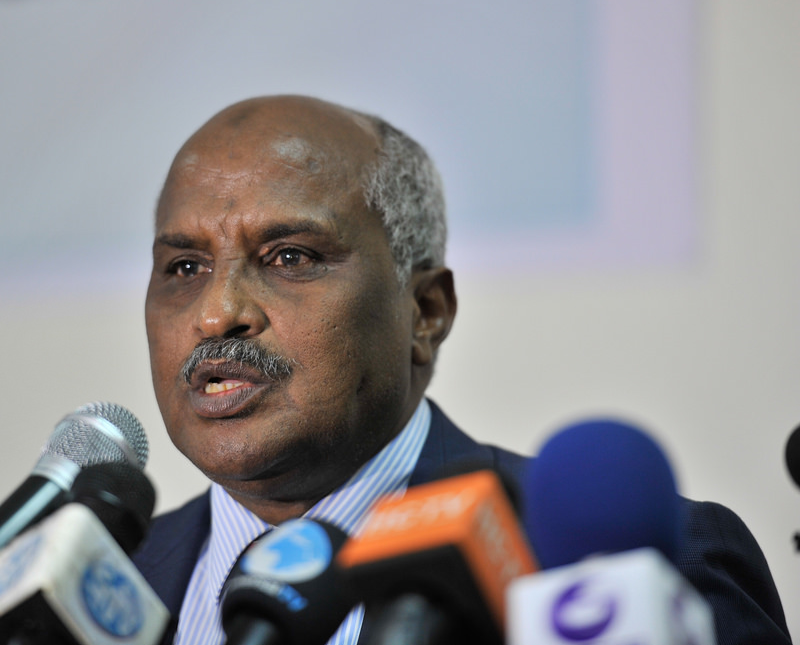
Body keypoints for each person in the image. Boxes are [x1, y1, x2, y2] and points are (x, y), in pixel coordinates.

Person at [131, 95, 789, 644]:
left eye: (290, 257)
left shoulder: (628, 577)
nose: (217, 313)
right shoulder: (109, 591)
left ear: (426, 310)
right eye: (184, 267)